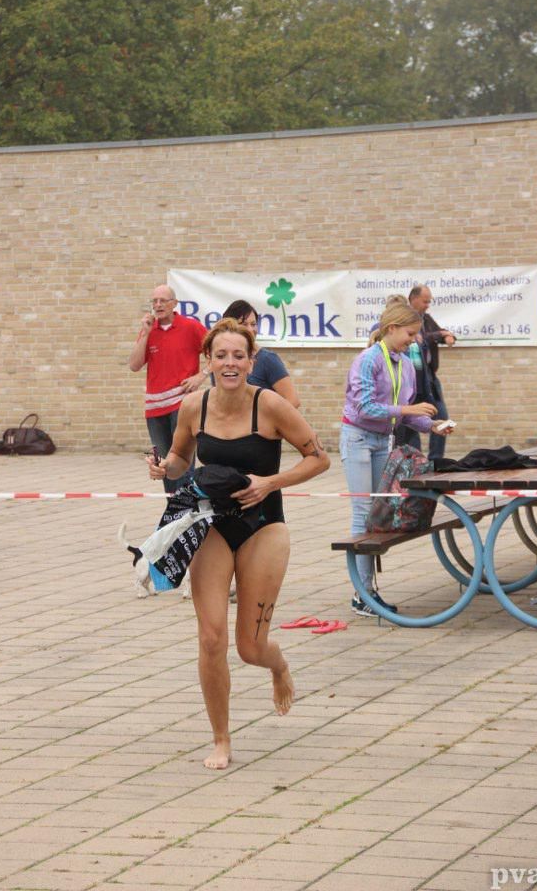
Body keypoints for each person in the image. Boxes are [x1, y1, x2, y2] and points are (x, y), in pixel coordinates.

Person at [146, 317, 329, 769]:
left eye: (238, 356)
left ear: (251, 361)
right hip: (210, 524)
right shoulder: (194, 406)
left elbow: (319, 458)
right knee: (211, 639)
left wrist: (271, 482)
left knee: (250, 648)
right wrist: (163, 469)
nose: (230, 363)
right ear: (207, 361)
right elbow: (180, 459)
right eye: (221, 355)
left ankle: (278, 665)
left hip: (264, 524)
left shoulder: (270, 406)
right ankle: (221, 739)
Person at [340, 301, 452, 617]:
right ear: (391, 329)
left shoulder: (403, 363)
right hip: (358, 439)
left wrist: (432, 426)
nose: (414, 340)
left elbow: (406, 414)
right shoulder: (367, 360)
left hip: (382, 439)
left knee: (379, 511)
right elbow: (364, 408)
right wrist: (407, 411)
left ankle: (368, 589)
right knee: (363, 511)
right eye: (410, 333)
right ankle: (363, 593)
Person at [129, 284, 207, 493]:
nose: (158, 305)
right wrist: (145, 333)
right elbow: (134, 365)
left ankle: (188, 510)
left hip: (182, 405)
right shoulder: (149, 330)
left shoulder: (191, 327)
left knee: (183, 460)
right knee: (164, 465)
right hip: (155, 408)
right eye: (154, 301)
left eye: (163, 300)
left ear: (174, 304)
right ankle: (174, 510)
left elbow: (216, 352)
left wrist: (201, 376)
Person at [222, 300, 301, 408]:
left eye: (253, 324)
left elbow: (293, 401)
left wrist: (267, 422)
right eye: (244, 324)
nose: (250, 329)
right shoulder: (221, 362)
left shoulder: (267, 359)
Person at [409, 285, 456, 460]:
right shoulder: (406, 318)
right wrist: (439, 334)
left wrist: (447, 335)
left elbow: (437, 332)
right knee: (410, 421)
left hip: (429, 377)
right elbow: (422, 338)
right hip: (412, 378)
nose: (428, 305)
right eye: (425, 301)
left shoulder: (426, 318)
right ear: (413, 299)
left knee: (442, 417)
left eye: (429, 301)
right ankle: (415, 461)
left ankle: (435, 459)